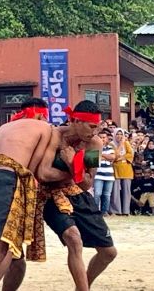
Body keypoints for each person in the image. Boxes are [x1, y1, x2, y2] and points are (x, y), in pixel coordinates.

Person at [0, 105, 61, 291]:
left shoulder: (5, 127)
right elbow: (35, 170)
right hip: (5, 181)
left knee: (6, 251)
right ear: (41, 115)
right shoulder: (45, 128)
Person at [35, 101, 117, 291]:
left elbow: (87, 183)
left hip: (79, 195)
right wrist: (77, 172)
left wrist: (72, 163)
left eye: (97, 127)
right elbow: (44, 174)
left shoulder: (94, 143)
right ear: (76, 121)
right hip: (51, 195)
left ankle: (81, 287)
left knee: (108, 253)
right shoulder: (55, 135)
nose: (95, 132)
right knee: (73, 238)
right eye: (91, 126)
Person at [111, 128, 134, 216]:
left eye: (121, 134)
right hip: (115, 170)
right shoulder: (111, 144)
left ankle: (126, 211)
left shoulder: (127, 143)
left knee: (127, 191)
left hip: (126, 169)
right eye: (117, 134)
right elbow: (114, 155)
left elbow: (130, 154)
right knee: (115, 191)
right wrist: (120, 145)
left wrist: (121, 158)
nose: (119, 136)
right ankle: (116, 210)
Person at [92, 130, 115, 215]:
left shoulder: (110, 148)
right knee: (97, 193)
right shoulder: (94, 148)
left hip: (109, 175)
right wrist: (106, 157)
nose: (102, 139)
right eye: (100, 137)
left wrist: (101, 155)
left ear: (107, 139)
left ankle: (104, 212)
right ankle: (95, 211)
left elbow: (112, 157)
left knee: (107, 194)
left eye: (104, 137)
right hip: (98, 175)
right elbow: (93, 160)